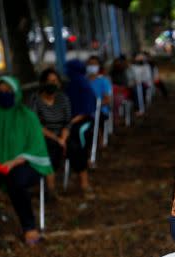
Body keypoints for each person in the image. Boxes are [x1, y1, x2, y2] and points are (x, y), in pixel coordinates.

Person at [0, 76, 53, 245]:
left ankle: (29, 227)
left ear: (16, 93)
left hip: (25, 164)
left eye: (8, 91)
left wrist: (13, 162)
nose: (4, 94)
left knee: (17, 181)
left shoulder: (28, 117)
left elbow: (36, 147)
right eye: (0, 91)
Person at [29, 67, 71, 196]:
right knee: (51, 148)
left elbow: (67, 122)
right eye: (49, 81)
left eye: (54, 80)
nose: (52, 84)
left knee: (75, 147)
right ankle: (51, 188)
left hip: (62, 134)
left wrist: (63, 139)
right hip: (43, 135)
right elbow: (36, 125)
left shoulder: (63, 99)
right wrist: (57, 139)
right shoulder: (35, 100)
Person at [64, 59, 97, 195]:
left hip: (81, 124)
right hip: (71, 123)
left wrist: (71, 122)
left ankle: (84, 180)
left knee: (78, 147)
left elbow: (86, 111)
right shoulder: (74, 84)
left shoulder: (81, 85)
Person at [87, 55, 113, 126]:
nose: (92, 66)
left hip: (101, 111)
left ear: (99, 66)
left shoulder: (104, 81)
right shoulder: (84, 81)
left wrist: (93, 106)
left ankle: (99, 136)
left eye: (94, 64)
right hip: (86, 112)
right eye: (90, 64)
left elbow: (107, 100)